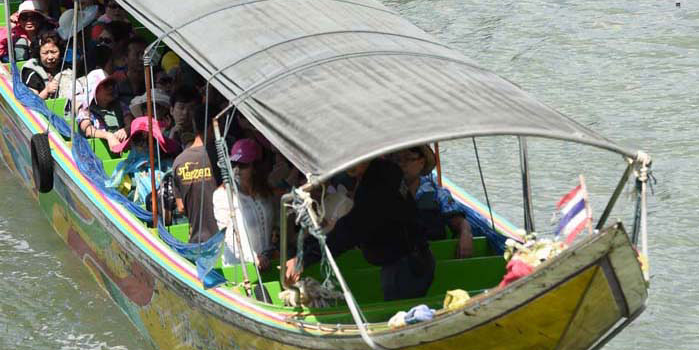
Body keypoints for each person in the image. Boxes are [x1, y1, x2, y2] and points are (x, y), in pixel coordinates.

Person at [287, 155, 435, 302]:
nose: (349, 164)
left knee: (400, 313)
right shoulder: (385, 171)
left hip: (405, 266)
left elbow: (350, 229)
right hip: (410, 259)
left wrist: (303, 258)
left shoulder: (379, 183)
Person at [397, 144, 507, 256]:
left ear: (421, 162)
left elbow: (459, 221)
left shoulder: (436, 192)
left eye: (407, 159)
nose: (402, 165)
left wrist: (466, 234)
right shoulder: (386, 193)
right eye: (398, 160)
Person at [213, 138, 277, 271]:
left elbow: (273, 223)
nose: (237, 169)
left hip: (267, 263)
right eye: (234, 164)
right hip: (239, 269)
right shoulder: (222, 195)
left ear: (256, 167)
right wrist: (253, 258)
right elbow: (228, 235)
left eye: (243, 165)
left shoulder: (265, 191)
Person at [171, 101, 218, 243]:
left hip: (197, 241)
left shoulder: (179, 161)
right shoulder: (218, 156)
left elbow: (181, 207)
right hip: (223, 241)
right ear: (212, 127)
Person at [77, 69, 131, 154]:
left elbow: (130, 121)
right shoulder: (85, 110)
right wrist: (108, 136)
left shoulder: (120, 105)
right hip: (94, 154)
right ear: (95, 89)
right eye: (106, 85)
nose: (110, 88)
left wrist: (126, 130)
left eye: (112, 84)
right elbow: (88, 130)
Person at [21, 31, 67, 100]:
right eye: (45, 53)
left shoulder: (68, 67)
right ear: (38, 54)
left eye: (54, 52)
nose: (50, 57)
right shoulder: (32, 72)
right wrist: (46, 91)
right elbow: (31, 101)